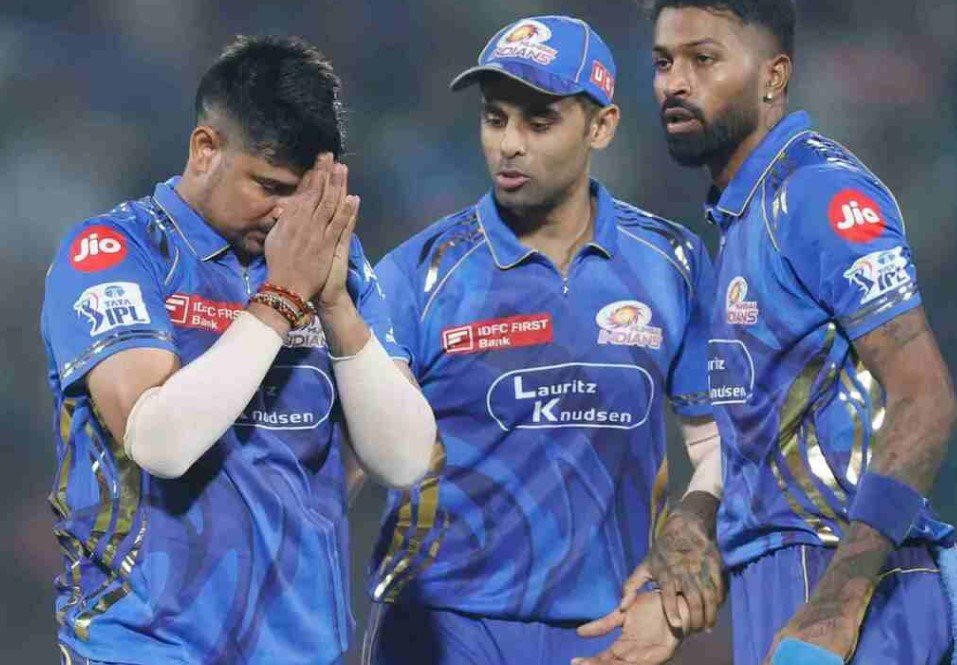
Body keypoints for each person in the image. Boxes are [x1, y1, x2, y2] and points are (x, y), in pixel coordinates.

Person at [41, 36, 435, 665]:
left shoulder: (334, 265)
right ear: (206, 149)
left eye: (304, 194)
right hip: (144, 646)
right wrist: (284, 296)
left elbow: (406, 459)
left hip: (303, 647)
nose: (286, 217)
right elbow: (161, 443)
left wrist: (335, 305)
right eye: (269, 186)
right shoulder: (116, 251)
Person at [360, 16, 724, 665]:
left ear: (601, 127)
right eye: (494, 118)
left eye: (538, 122)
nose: (509, 145)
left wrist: (685, 553)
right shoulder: (415, 275)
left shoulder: (672, 264)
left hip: (603, 631)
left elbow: (717, 442)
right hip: (440, 629)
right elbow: (361, 457)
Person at [648, 1, 957, 663]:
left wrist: (840, 599)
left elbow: (925, 396)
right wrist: (696, 515)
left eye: (703, 59)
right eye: (663, 61)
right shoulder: (741, 215)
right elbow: (769, 432)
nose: (675, 82)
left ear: (773, 75)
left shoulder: (814, 191)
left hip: (844, 576)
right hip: (783, 579)